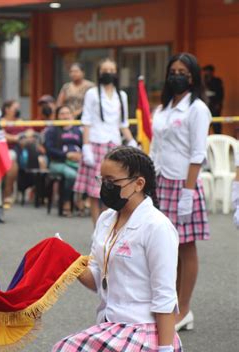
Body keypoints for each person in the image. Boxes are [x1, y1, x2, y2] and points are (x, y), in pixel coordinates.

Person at [46, 146, 191, 352]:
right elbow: (96, 280)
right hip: (110, 326)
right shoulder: (106, 219)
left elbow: (165, 297)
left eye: (112, 181)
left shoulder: (157, 227)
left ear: (139, 184)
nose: (105, 187)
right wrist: (68, 258)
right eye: (102, 180)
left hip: (143, 330)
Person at [150, 53, 211, 331]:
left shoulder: (197, 109)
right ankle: (170, 305)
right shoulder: (162, 109)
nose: (177, 75)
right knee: (167, 247)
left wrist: (188, 193)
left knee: (186, 247)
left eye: (183, 72)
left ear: (193, 76)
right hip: (162, 181)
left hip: (184, 183)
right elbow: (154, 148)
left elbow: (197, 153)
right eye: (172, 70)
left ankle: (185, 309)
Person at [73, 58, 137, 225]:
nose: (108, 73)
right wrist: (85, 146)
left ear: (116, 72)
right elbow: (86, 121)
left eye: (111, 70)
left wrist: (132, 142)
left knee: (115, 188)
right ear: (99, 73)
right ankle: (97, 228)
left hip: (114, 145)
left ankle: (109, 226)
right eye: (104, 70)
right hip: (95, 142)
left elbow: (123, 124)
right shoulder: (92, 93)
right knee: (95, 192)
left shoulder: (121, 95)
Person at [44, 105, 82, 216]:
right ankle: (66, 201)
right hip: (57, 163)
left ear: (72, 115)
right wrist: (67, 155)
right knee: (71, 175)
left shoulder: (78, 130)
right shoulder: (52, 130)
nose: (65, 116)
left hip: (77, 162)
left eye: (67, 113)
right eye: (62, 114)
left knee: (90, 174)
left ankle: (81, 200)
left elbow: (85, 145)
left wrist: (80, 155)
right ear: (57, 116)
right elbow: (49, 149)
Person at [202, 64, 224, 134]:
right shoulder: (203, 81)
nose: (206, 73)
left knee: (216, 125)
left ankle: (218, 141)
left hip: (214, 106)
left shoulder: (217, 81)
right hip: (205, 106)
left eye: (207, 71)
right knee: (205, 125)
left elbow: (220, 93)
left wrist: (218, 104)